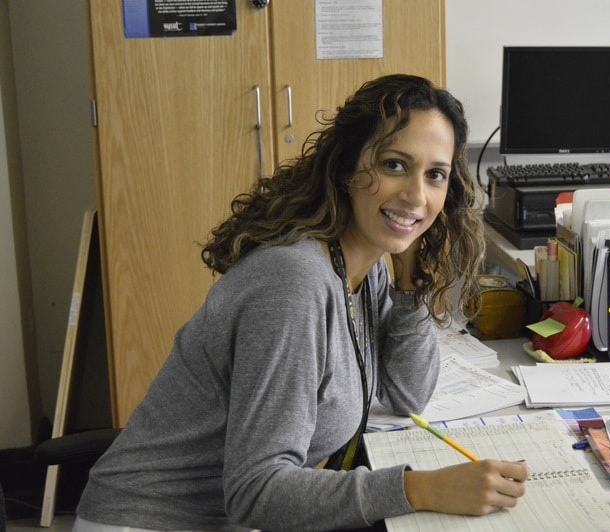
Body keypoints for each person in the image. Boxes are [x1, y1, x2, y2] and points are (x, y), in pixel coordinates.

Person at [75, 74, 529, 531]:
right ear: (348, 168)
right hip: (149, 522)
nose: (416, 196)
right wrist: (421, 488)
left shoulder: (363, 262)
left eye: (435, 175)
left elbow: (408, 395)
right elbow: (256, 492)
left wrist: (410, 282)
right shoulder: (293, 283)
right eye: (394, 165)